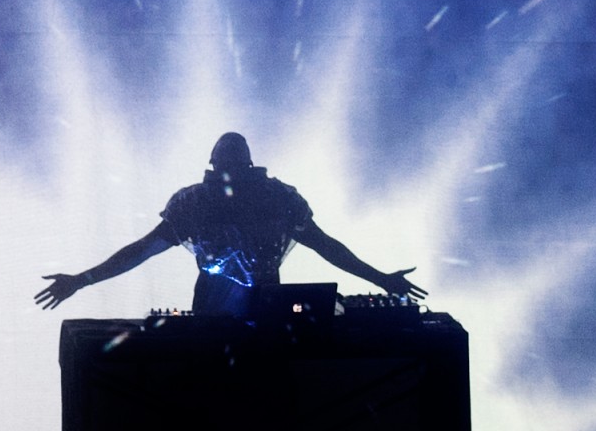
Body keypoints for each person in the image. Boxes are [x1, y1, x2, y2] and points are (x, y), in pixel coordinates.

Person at [35, 132, 427, 317]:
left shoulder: (217, 201)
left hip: (259, 311)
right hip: (231, 310)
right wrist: (81, 280)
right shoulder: (215, 202)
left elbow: (327, 247)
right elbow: (139, 251)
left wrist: (382, 280)